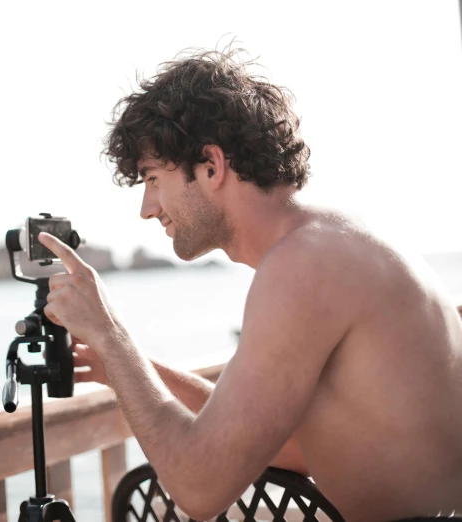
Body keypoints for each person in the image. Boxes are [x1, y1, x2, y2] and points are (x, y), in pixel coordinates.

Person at [36, 46, 462, 522]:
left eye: (153, 178)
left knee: (163, 509)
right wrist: (125, 365)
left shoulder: (303, 267)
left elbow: (199, 488)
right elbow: (295, 445)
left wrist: (111, 334)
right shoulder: (336, 242)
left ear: (212, 166)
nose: (147, 207)